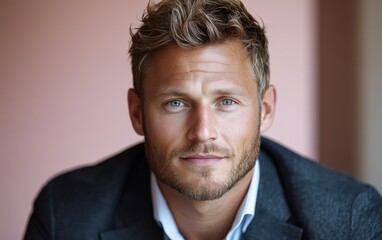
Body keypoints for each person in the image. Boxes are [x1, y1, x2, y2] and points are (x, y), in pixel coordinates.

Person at [24, 0, 382, 239]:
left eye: (226, 101)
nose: (203, 132)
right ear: (137, 113)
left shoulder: (348, 220)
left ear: (266, 110)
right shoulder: (65, 216)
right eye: (176, 103)